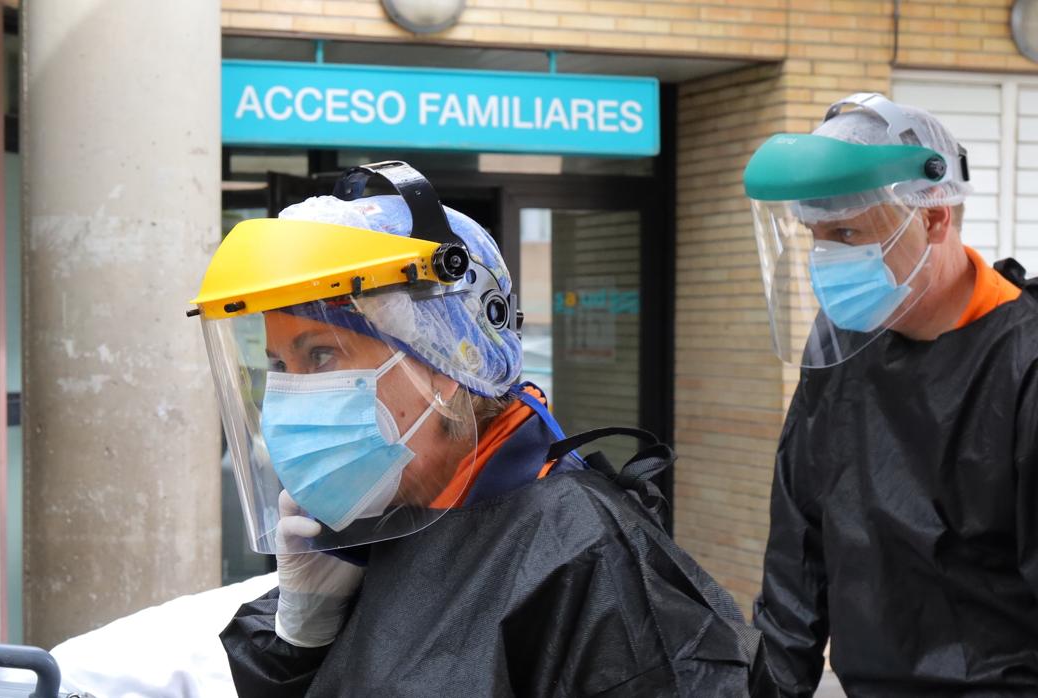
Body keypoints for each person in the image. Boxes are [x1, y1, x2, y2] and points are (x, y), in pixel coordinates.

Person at [191, 161, 775, 696]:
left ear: (448, 364)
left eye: (320, 355)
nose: (291, 394)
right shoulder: (380, 522)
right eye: (277, 365)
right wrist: (297, 638)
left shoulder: (583, 558)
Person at [744, 92, 1038, 696]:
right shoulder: (840, 344)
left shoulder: (1023, 363)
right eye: (816, 235)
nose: (827, 258)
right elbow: (798, 554)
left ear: (933, 216)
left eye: (848, 232)